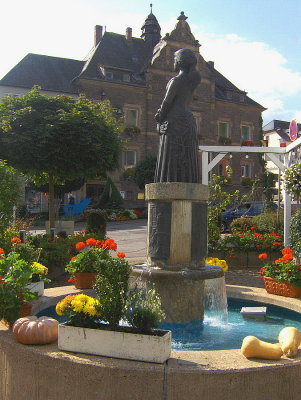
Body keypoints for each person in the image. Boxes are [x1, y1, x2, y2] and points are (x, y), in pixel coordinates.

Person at [154, 48, 201, 183]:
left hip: (174, 122)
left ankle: (169, 186)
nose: (173, 61)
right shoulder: (191, 82)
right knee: (187, 156)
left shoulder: (176, 81)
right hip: (189, 122)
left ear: (180, 62)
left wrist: (159, 118)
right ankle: (188, 184)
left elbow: (167, 102)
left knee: (171, 159)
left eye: (175, 59)